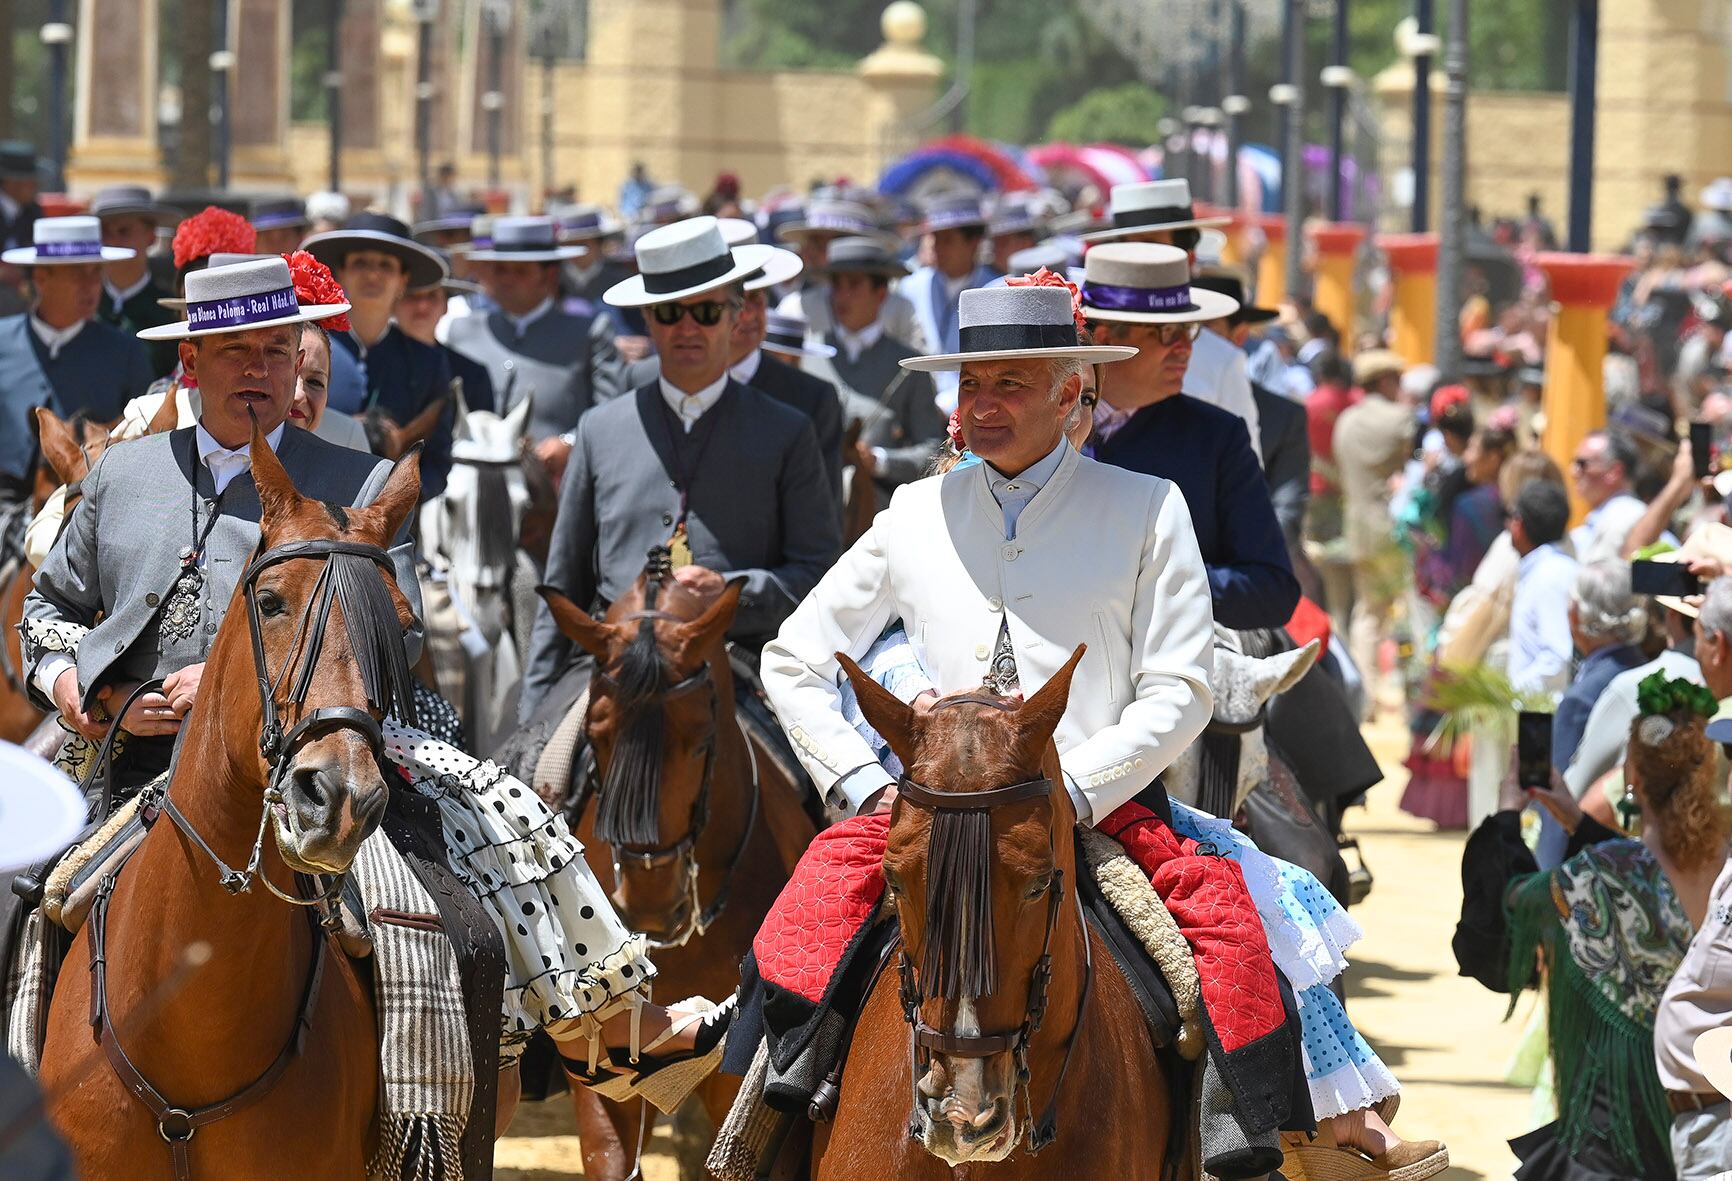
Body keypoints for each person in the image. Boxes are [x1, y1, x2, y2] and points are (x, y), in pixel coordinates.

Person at [17, 254, 738, 1112]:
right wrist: (80, 693)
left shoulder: (352, 479)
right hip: (127, 761)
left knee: (476, 868)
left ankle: (582, 1047)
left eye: (277, 350)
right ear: (191, 361)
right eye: (236, 350)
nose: (259, 369)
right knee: (20, 894)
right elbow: (47, 613)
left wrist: (241, 675)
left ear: (298, 359)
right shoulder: (123, 474)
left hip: (316, 752)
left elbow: (403, 634)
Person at [759, 283, 1379, 1179]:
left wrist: (1073, 789)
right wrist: (868, 787)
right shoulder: (911, 513)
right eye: (973, 385)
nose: (986, 405)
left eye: (1013, 382)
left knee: (1233, 951)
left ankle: (1240, 1148)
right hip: (931, 811)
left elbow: (1181, 686)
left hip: (1106, 811)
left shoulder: (1148, 507)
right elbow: (792, 658)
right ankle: (756, 1125)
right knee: (793, 938)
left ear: (1071, 391)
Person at [521, 215, 840, 719]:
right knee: (544, 776)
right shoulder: (599, 429)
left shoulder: (788, 431)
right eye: (670, 313)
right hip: (611, 671)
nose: (688, 328)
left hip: (742, 670)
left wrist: (732, 590)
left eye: (707, 311)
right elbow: (563, 587)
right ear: (649, 321)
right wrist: (533, 711)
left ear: (736, 315)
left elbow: (819, 576)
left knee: (801, 788)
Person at [1455, 673, 1725, 1181]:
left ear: (1632, 779)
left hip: (1615, 1128)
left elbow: (1504, 915)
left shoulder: (1597, 874)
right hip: (1710, 1110)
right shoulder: (1723, 868)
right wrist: (1575, 820)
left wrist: (1507, 816)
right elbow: (1650, 867)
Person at [1081, 245, 1299, 630]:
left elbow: (1272, 590)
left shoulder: (1216, 438)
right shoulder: (1043, 429)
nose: (1186, 348)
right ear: (1104, 339)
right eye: (1167, 332)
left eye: (1189, 330)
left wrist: (1156, 583)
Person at [1082, 179, 1259, 459]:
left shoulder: (1221, 361)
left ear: (1189, 259)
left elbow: (1242, 469)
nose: (1137, 257)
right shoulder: (1071, 359)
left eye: (1151, 246)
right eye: (1125, 246)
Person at [443, 215, 625, 479]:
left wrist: (570, 443)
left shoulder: (589, 332)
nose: (507, 280)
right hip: (470, 493)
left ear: (549, 274)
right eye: (500, 270)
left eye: (520, 271)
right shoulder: (461, 330)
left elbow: (611, 410)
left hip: (554, 490)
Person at [0, 216, 154, 506]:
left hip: (86, 509)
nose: (92, 284)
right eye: (78, 273)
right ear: (41, 277)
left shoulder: (125, 352)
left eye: (96, 272)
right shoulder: (3, 341)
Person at [302, 212, 457, 500]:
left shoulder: (428, 363)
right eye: (361, 263)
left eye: (386, 266)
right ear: (341, 272)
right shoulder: (308, 350)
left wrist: (391, 501)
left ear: (403, 280)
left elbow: (437, 462)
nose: (373, 274)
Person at [803, 236, 946, 509]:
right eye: (837, 285)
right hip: (812, 511)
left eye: (854, 285)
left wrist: (879, 461)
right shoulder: (812, 357)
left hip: (878, 514)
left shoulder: (910, 365)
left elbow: (931, 451)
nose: (842, 296)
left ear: (881, 294)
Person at [1195, 272, 1307, 555]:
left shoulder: (1283, 417)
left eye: (1206, 329)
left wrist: (1250, 561)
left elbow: (1286, 508)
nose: (1193, 343)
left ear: (1240, 335)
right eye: (1185, 329)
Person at [1332, 348, 1414, 714]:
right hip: (1395, 530)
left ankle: (1364, 698)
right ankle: (1412, 692)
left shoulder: (1346, 420)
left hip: (1357, 529)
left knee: (1367, 614)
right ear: (1385, 381)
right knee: (1407, 612)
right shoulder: (1401, 419)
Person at [776, 197, 926, 351]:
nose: (810, 253)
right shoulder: (796, 309)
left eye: (820, 245)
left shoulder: (899, 309)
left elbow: (915, 366)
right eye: (810, 244)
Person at [897, 193, 999, 412]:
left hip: (974, 409)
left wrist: (949, 404)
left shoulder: (996, 290)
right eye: (935, 238)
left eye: (948, 240)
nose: (937, 248)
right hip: (914, 408)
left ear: (974, 243)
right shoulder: (912, 287)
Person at [88, 185, 180, 369]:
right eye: (105, 232)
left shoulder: (170, 313)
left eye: (124, 231)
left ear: (151, 236)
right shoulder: (83, 307)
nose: (113, 242)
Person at [394, 271, 495, 416]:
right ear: (394, 301)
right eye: (412, 295)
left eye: (432, 296)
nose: (422, 306)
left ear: (445, 306)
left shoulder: (472, 375)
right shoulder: (371, 361)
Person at [1569, 429, 1648, 562]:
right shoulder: (1606, 517)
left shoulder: (1627, 516)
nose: (1573, 471)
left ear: (1614, 472)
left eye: (1582, 464)